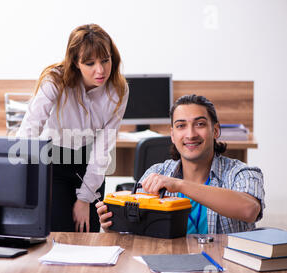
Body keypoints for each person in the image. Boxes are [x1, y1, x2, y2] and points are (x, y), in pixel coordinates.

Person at [96, 94, 265, 234]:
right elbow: (136, 232)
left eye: (200, 124)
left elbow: (249, 210)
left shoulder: (243, 173)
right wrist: (115, 226)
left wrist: (179, 185)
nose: (190, 134)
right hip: (169, 267)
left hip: (226, 269)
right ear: (172, 135)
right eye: (181, 126)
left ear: (215, 130)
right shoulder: (156, 173)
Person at [17, 24, 129, 232]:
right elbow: (29, 130)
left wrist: (85, 199)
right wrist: (23, 179)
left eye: (105, 60)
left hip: (90, 163)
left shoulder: (118, 89)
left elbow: (103, 149)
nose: (100, 70)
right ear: (76, 62)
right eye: (90, 63)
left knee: (88, 233)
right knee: (58, 232)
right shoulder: (55, 80)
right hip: (54, 160)